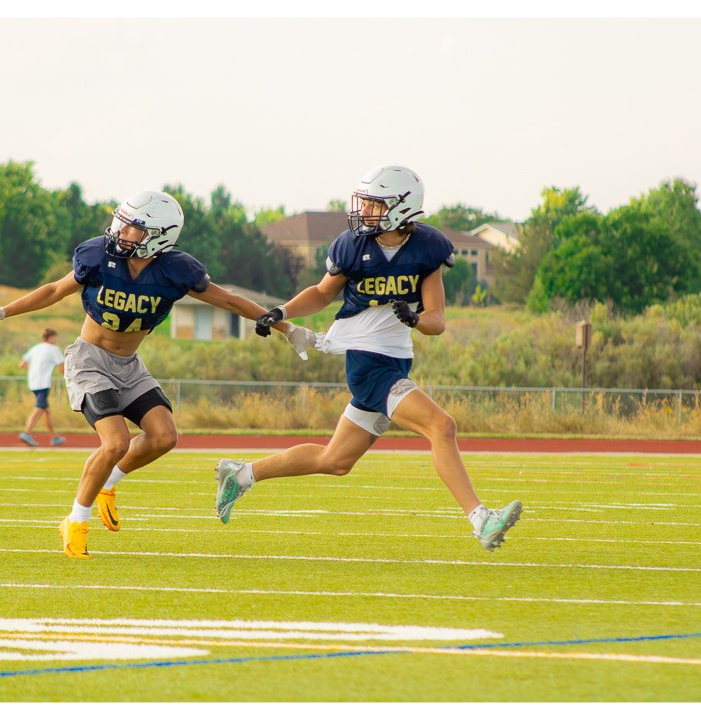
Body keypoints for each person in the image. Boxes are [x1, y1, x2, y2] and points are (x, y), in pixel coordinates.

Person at [0, 190, 317, 559]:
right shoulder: (99, 256)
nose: (121, 231)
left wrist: (284, 327)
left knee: (164, 436)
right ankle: (76, 520)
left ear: (159, 236)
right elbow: (54, 290)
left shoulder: (176, 270)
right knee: (115, 443)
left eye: (133, 227)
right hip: (89, 360)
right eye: (123, 223)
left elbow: (228, 299)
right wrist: (2, 311)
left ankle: (108, 484)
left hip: (129, 365)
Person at [214, 165, 523, 551]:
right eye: (366, 203)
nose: (365, 211)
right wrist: (282, 311)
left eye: (375, 204)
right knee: (442, 426)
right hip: (367, 364)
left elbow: (437, 321)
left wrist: (415, 319)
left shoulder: (427, 248)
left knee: (335, 460)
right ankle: (481, 519)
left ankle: (241, 475)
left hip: (395, 361)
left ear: (401, 207)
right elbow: (322, 293)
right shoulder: (352, 245)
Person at [18, 328, 66, 447]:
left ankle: (54, 437)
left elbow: (22, 364)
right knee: (39, 408)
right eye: (55, 338)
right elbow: (62, 368)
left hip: (33, 382)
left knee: (46, 411)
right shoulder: (54, 349)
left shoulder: (35, 348)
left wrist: (33, 371)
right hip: (43, 383)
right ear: (51, 337)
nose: (56, 340)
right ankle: (26, 433)